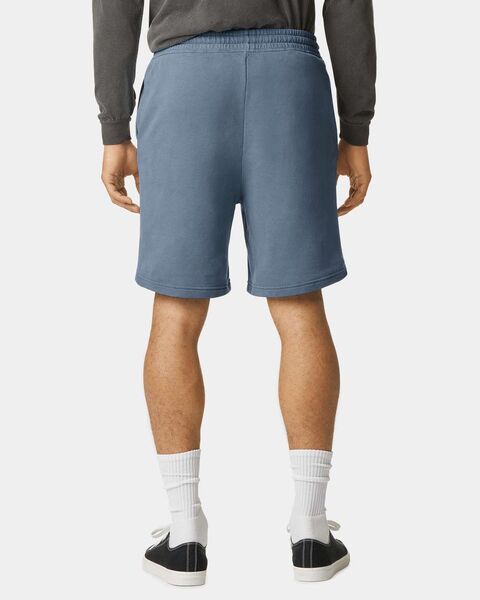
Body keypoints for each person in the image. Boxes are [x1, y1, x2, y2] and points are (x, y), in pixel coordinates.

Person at [93, 0, 376, 586]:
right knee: (299, 304)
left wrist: (114, 127)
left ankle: (184, 535)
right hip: (289, 82)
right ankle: (311, 529)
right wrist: (356, 127)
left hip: (184, 82)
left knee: (175, 309)